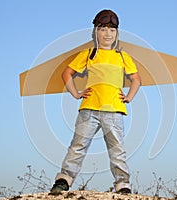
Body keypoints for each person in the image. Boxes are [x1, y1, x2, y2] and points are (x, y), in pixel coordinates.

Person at [50, 9, 141, 195]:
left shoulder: (123, 57)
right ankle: (63, 180)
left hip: (114, 111)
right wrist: (76, 93)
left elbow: (136, 79)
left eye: (112, 30)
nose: (108, 34)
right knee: (78, 146)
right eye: (103, 29)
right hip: (89, 109)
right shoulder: (88, 54)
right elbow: (66, 73)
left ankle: (123, 185)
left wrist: (129, 97)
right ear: (95, 32)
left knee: (117, 150)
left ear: (117, 34)